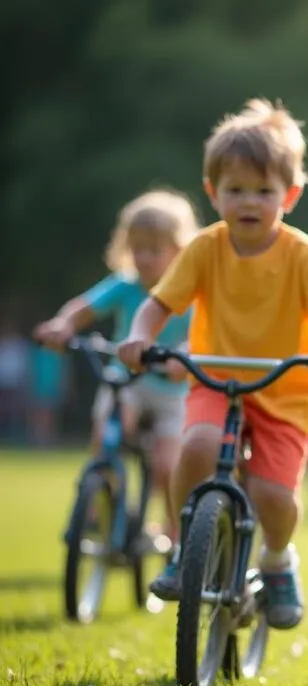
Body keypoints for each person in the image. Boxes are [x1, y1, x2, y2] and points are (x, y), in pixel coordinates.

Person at [118, 98, 308, 630]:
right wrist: (140, 337)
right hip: (218, 378)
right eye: (235, 190)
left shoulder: (300, 254)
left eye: (263, 191)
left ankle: (277, 561)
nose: (248, 202)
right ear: (213, 193)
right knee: (197, 446)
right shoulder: (206, 248)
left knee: (274, 494)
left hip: (286, 389)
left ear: (290, 195)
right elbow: (158, 304)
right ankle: (185, 547)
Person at [33, 189, 200, 537]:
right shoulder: (125, 285)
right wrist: (63, 325)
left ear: (180, 250)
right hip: (128, 380)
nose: (142, 258)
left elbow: (201, 333)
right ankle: (104, 508)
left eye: (153, 250)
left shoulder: (188, 293)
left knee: (168, 468)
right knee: (108, 433)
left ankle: (175, 533)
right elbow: (83, 308)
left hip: (173, 391)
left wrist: (184, 355)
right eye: (136, 248)